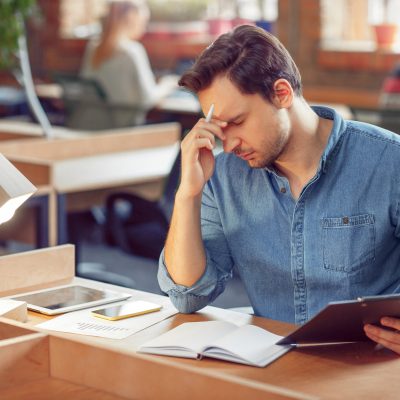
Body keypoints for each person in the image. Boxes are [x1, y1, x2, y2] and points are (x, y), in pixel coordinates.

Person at [157, 25, 400, 355]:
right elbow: (187, 296)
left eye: (237, 122)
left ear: (282, 93)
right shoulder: (223, 175)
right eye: (217, 129)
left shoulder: (389, 162)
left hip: (372, 367)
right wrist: (188, 193)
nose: (227, 144)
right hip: (274, 367)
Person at [80, 0, 177, 126]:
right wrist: (167, 85)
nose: (145, 27)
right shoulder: (132, 51)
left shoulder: (93, 48)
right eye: (144, 21)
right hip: (124, 130)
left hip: (93, 127)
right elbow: (148, 99)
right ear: (132, 16)